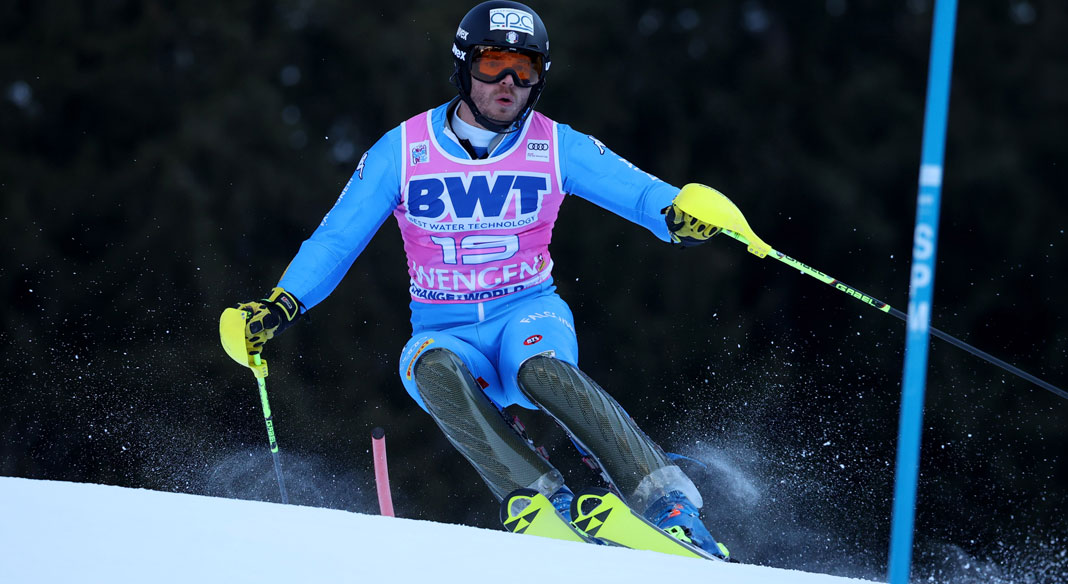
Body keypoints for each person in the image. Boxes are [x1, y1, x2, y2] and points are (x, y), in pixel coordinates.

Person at [231, 0, 729, 559]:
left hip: (529, 314)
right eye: (493, 64)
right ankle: (538, 500)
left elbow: (639, 193)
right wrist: (282, 304)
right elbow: (336, 240)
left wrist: (677, 215)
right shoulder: (404, 150)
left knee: (541, 370)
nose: (509, 83)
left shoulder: (554, 144)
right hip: (445, 329)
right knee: (430, 368)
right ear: (464, 66)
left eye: (526, 68)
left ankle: (667, 503)